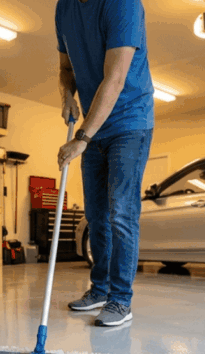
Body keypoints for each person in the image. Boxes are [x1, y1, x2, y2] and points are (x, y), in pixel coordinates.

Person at [55, 0, 155, 327]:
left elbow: (114, 79)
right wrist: (67, 96)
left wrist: (80, 139)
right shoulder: (65, 8)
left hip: (130, 122)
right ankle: (99, 289)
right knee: (96, 215)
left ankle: (120, 300)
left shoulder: (122, 4)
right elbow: (66, 70)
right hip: (93, 124)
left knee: (121, 212)